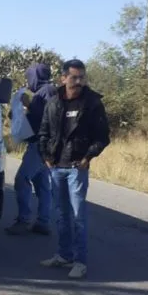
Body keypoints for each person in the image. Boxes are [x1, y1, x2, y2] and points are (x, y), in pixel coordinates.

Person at [38, 59, 110, 278]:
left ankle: (80, 261)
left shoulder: (93, 103)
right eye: (74, 77)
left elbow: (103, 137)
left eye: (82, 77)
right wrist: (46, 156)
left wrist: (88, 157)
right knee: (61, 215)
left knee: (78, 215)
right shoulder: (53, 101)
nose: (78, 81)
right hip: (56, 167)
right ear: (63, 78)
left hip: (77, 167)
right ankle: (64, 255)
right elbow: (44, 132)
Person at [5, 63, 57, 235]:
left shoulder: (47, 90)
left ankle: (23, 220)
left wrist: (29, 105)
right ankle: (43, 222)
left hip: (41, 146)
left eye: (30, 77)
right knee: (42, 184)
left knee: (22, 179)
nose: (28, 81)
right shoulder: (42, 92)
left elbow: (50, 117)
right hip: (41, 145)